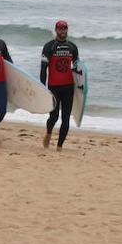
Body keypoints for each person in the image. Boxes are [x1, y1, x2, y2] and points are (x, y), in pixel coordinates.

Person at [40, 20, 80, 150]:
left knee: (66, 118)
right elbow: (43, 68)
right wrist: (42, 87)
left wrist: (80, 87)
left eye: (65, 28)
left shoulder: (72, 47)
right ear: (56, 30)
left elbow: (78, 68)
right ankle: (49, 132)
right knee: (54, 116)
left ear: (67, 30)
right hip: (54, 87)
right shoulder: (49, 47)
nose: (62, 31)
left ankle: (59, 146)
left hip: (69, 87)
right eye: (60, 29)